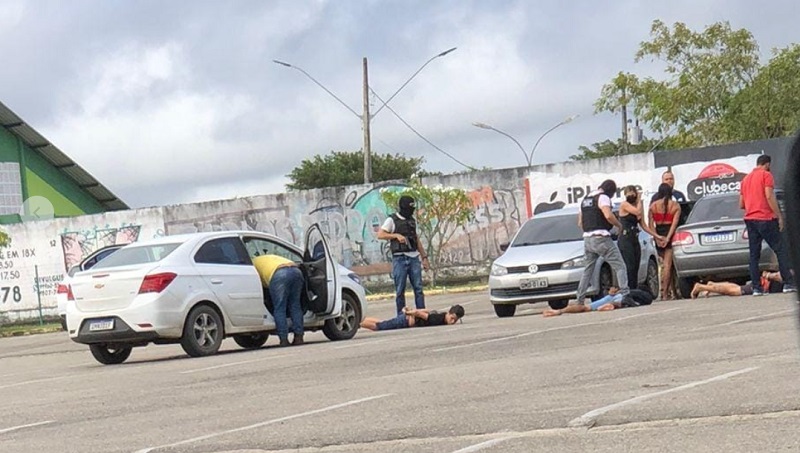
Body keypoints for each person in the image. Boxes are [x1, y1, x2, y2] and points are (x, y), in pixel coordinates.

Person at [739, 154, 796, 294]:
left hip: (750, 219)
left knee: (754, 255)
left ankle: (756, 288)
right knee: (780, 249)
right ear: (767, 164)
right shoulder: (766, 175)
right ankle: (788, 283)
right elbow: (769, 195)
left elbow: (741, 204)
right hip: (765, 218)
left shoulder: (745, 180)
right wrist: (779, 215)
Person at [575, 179, 631, 306]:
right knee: (620, 265)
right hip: (601, 238)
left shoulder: (585, 200)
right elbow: (608, 215)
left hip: (588, 240)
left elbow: (580, 223)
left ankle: (579, 299)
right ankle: (625, 294)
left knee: (588, 270)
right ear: (610, 191)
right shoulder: (603, 198)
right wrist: (619, 225)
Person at [377, 195, 430, 315]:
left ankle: (421, 314)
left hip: (414, 257)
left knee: (418, 288)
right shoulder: (392, 220)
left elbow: (416, 239)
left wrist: (424, 257)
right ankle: (401, 316)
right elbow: (380, 234)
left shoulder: (411, 221)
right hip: (400, 258)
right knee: (400, 290)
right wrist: (395, 235)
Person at [618, 185, 665, 289]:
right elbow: (637, 212)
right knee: (629, 266)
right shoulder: (624, 205)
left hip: (635, 238)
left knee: (636, 266)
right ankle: (629, 290)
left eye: (632, 194)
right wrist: (639, 200)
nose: (631, 196)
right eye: (628, 194)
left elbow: (643, 224)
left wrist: (656, 235)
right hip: (626, 238)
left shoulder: (638, 205)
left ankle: (634, 289)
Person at [253, 254, 305, 347]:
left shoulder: (252, 266)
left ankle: (283, 339)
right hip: (296, 271)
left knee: (280, 307)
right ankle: (299, 337)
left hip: (279, 274)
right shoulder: (267, 258)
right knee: (295, 305)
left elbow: (260, 285)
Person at [649, 183, 681, 300]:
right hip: (669, 234)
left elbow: (650, 225)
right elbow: (674, 224)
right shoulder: (675, 206)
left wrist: (657, 237)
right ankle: (665, 293)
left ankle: (668, 292)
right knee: (668, 266)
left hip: (658, 233)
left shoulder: (653, 206)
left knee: (664, 265)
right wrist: (667, 238)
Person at [543, 287, 653, 317]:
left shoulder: (633, 289)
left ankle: (560, 311)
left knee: (585, 307)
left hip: (614, 295)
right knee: (621, 303)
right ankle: (612, 306)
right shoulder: (646, 297)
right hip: (622, 298)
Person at [360, 305, 465, 331]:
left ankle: (361, 319)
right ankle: (357, 323)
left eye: (455, 321)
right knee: (379, 327)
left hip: (406, 319)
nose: (452, 322)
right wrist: (409, 312)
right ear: (449, 313)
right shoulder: (439, 319)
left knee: (383, 323)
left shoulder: (441, 315)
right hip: (406, 321)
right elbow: (421, 314)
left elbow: (427, 310)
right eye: (452, 318)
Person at [690, 271, 785, 298]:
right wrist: (769, 275)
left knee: (736, 288)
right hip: (765, 286)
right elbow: (783, 274)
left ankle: (712, 285)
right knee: (735, 291)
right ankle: (701, 287)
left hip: (768, 286)